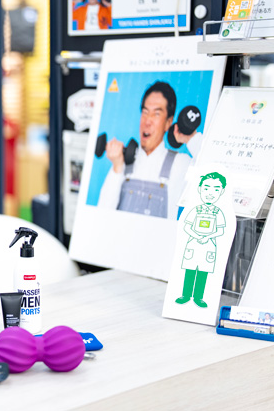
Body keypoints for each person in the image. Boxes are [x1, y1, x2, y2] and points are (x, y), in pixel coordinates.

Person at [97, 81, 202, 219]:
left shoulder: (181, 164)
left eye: (156, 114)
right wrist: (117, 167)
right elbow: (101, 216)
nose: (147, 121)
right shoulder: (122, 163)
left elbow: (217, 173)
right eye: (145, 112)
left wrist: (191, 139)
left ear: (168, 123)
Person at [175, 172, 227, 308]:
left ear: (222, 192)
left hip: (209, 245)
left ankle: (198, 297)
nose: (210, 193)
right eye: (206, 188)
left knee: (203, 272)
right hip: (193, 243)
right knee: (189, 270)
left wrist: (207, 237)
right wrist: (198, 236)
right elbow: (186, 226)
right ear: (199, 189)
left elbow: (221, 230)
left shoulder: (219, 212)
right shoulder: (194, 209)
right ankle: (185, 295)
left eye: (216, 189)